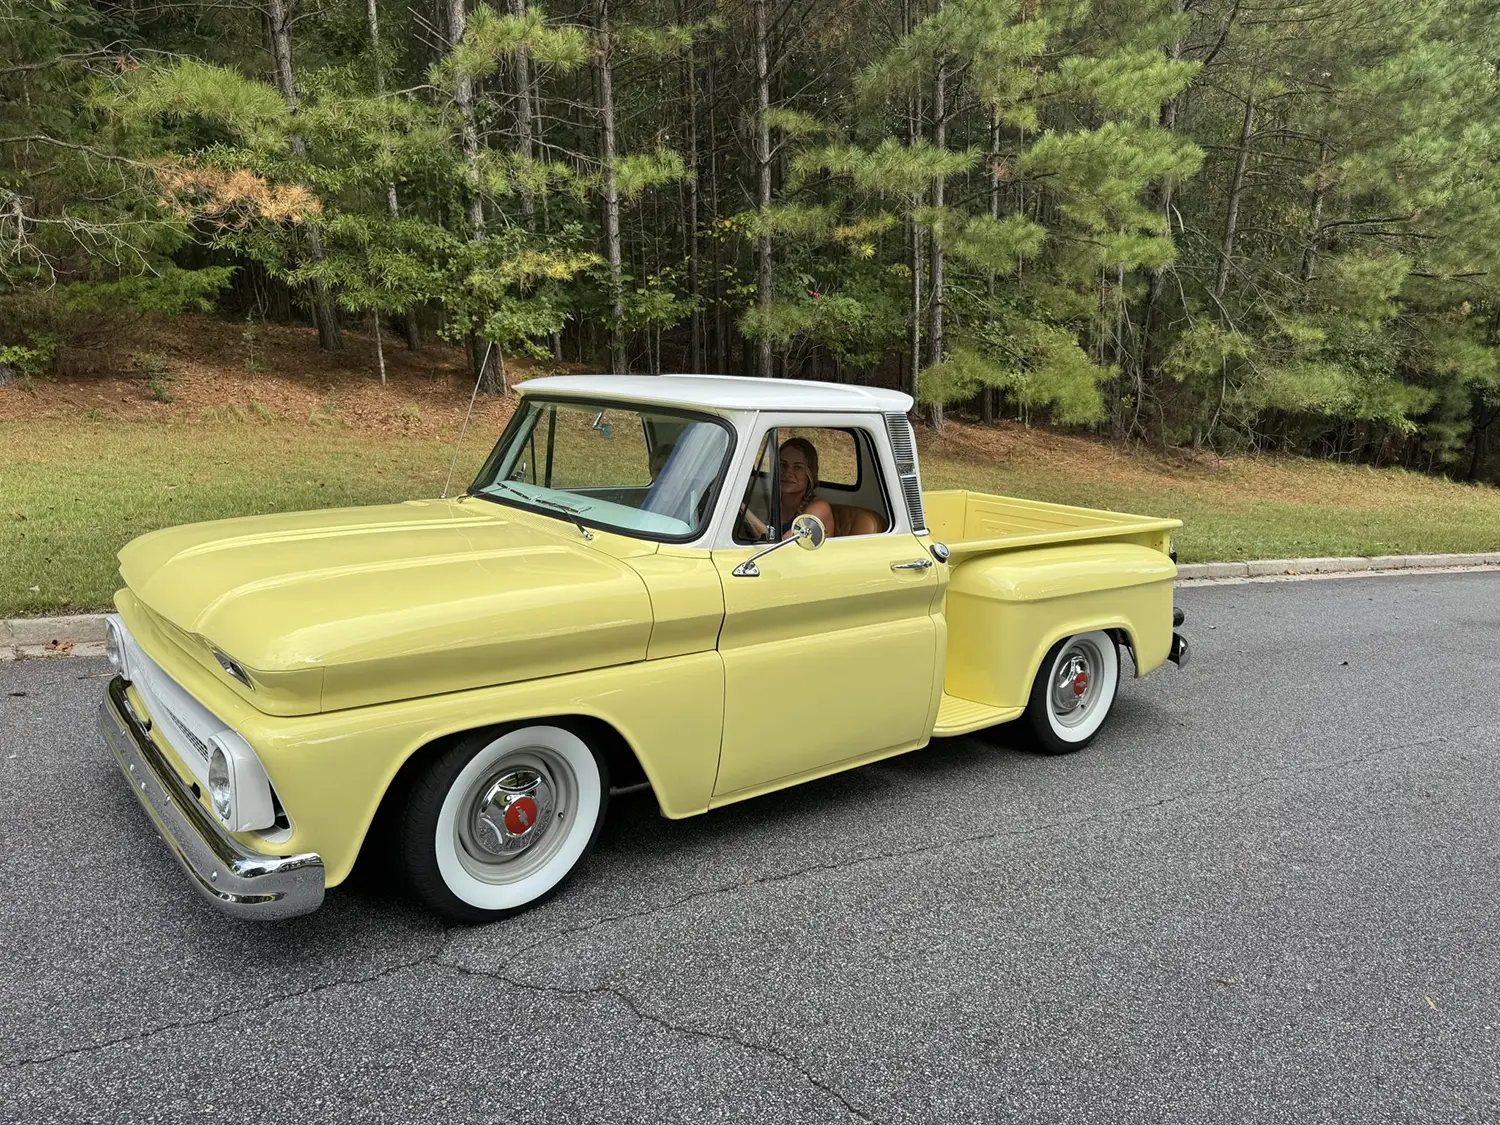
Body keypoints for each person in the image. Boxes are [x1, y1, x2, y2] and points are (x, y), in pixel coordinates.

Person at [739, 436, 836, 540]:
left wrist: (738, 505)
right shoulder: (770, 502)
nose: (788, 473)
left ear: (810, 473)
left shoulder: (820, 508)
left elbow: (782, 545)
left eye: (798, 467)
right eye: (782, 465)